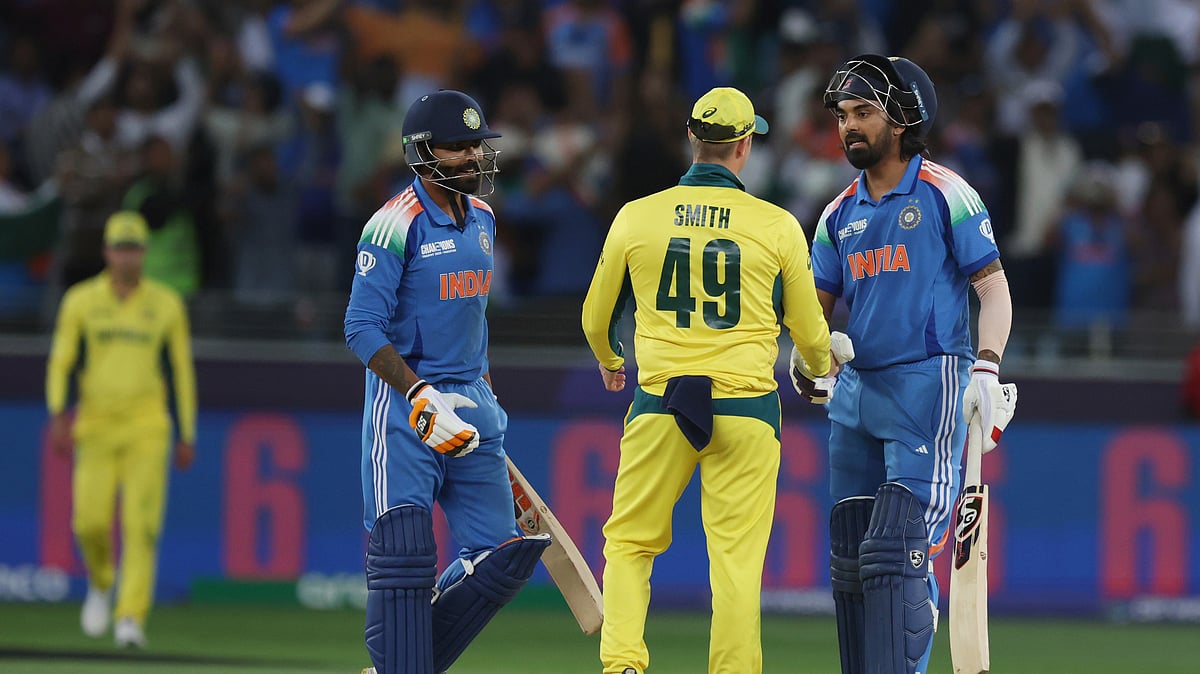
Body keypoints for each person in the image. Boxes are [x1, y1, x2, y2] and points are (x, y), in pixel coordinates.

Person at [581, 87, 835, 674]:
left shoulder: (636, 216)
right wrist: (821, 371)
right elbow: (809, 331)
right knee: (737, 564)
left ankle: (622, 665)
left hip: (662, 401)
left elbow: (597, 317)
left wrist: (612, 360)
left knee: (629, 543)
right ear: (745, 146)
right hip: (746, 409)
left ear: (692, 140)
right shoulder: (776, 225)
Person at [807, 54, 1018, 674]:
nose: (849, 126)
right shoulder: (836, 214)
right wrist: (807, 360)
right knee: (852, 562)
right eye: (844, 115)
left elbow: (995, 289)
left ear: (902, 117)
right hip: (854, 397)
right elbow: (814, 315)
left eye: (864, 112)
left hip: (928, 386)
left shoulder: (946, 193)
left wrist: (987, 365)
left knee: (897, 555)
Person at [343, 89, 549, 674]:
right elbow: (360, 328)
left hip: (474, 404)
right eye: (457, 148)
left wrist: (484, 395)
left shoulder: (483, 218)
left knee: (505, 556)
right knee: (406, 554)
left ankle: (396, 667)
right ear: (421, 152)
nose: (472, 158)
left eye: (476, 145)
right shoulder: (391, 224)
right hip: (408, 409)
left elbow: (471, 318)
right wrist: (418, 393)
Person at [45, 210, 197, 649]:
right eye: (119, 248)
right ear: (106, 251)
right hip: (94, 424)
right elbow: (61, 360)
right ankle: (101, 580)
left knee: (142, 525)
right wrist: (58, 411)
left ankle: (131, 616)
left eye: (134, 249)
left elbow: (181, 372)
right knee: (87, 522)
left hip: (148, 425)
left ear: (144, 253)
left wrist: (186, 432)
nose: (127, 257)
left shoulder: (165, 303)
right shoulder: (80, 301)